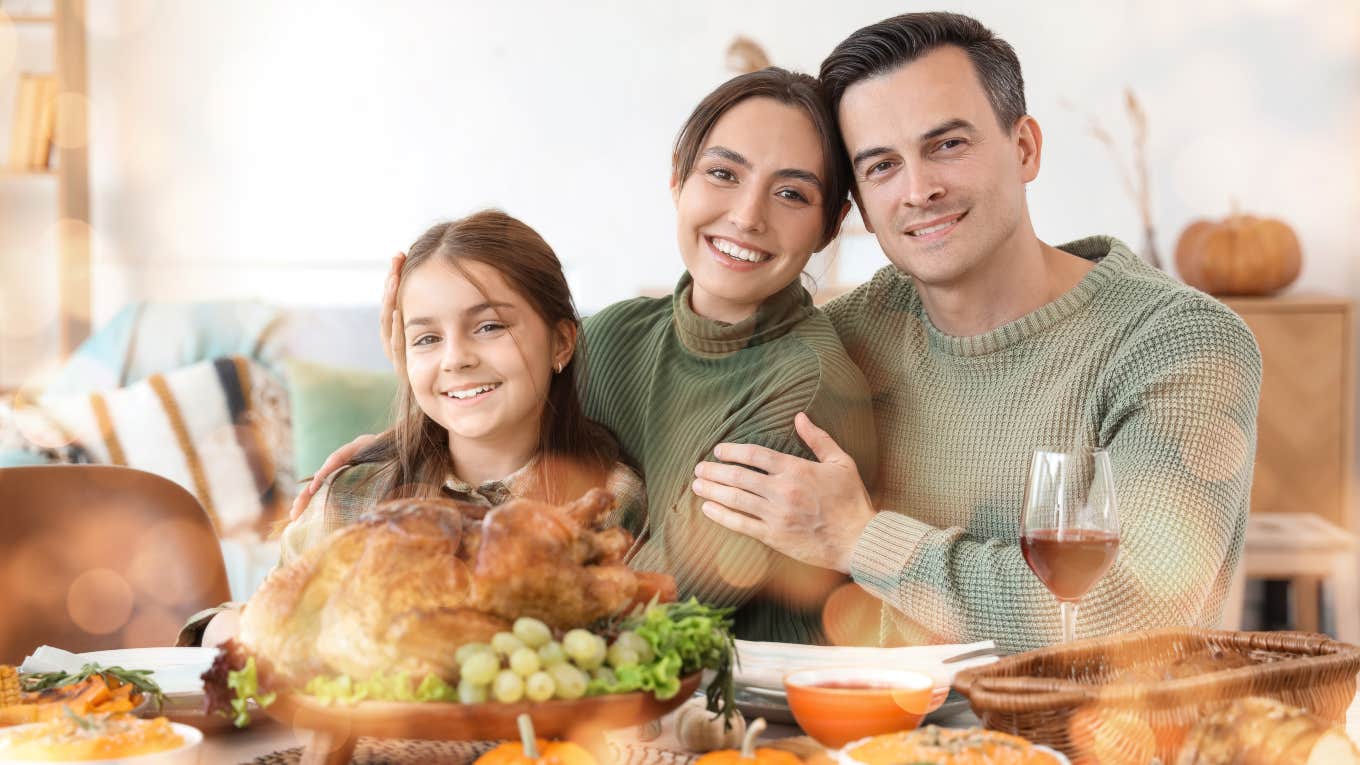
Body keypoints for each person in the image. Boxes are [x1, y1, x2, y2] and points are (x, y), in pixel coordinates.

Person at [689, 12, 1262, 652]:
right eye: (881, 166)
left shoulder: (1175, 342)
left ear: (1024, 149)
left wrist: (860, 540)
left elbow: (1128, 612)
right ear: (859, 207)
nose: (919, 189)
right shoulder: (846, 338)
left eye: (947, 145)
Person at [297, 68, 879, 645]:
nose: (749, 215)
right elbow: (500, 399)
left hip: (729, 703)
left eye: (790, 193)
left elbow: (640, 605)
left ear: (830, 226)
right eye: (723, 173)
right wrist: (401, 438)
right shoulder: (617, 332)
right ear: (678, 180)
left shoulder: (804, 387)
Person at [187, 209, 644, 648]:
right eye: (427, 338)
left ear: (561, 342)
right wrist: (231, 630)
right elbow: (261, 626)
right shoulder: (347, 499)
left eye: (488, 326)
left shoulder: (611, 500)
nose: (455, 358)